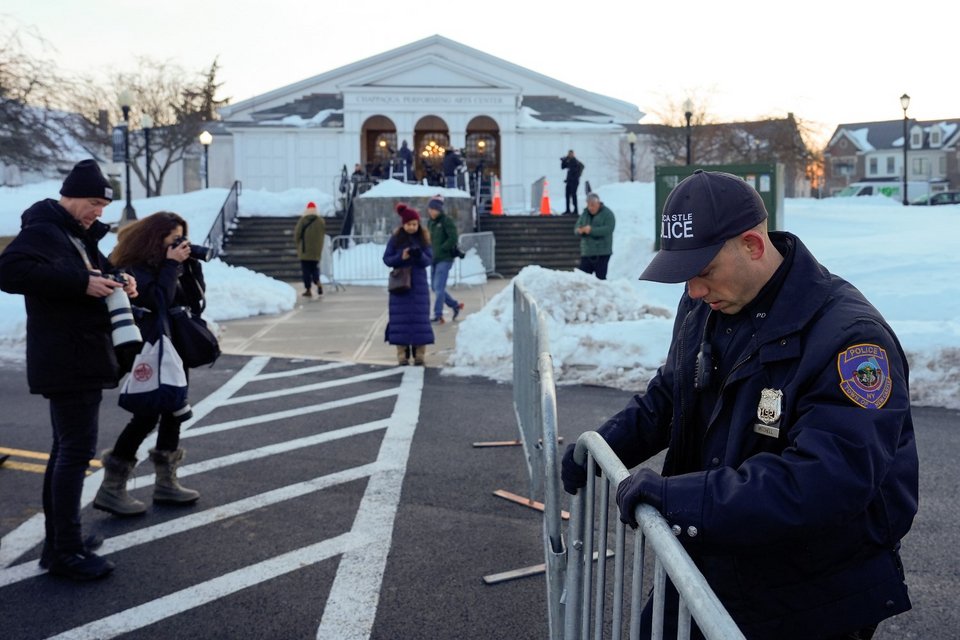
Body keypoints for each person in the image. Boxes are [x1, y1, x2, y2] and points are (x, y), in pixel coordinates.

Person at [561, 170, 918, 640]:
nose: (693, 290)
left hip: (810, 591)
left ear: (752, 244)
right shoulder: (708, 304)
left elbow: (826, 480)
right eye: (686, 275)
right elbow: (673, 393)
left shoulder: (850, 340)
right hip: (718, 556)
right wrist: (603, 448)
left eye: (704, 271)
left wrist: (679, 499)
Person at [0, 159, 139, 580]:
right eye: (94, 203)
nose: (99, 212)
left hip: (77, 353)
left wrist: (120, 278)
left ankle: (62, 540)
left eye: (103, 205)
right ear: (73, 195)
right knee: (74, 453)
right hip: (67, 357)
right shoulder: (44, 230)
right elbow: (9, 271)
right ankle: (65, 551)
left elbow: (93, 271)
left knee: (66, 451)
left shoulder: (73, 235)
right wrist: (80, 282)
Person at [93, 211, 208, 517]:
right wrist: (171, 265)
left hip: (172, 348)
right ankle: (111, 488)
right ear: (155, 240)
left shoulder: (171, 265)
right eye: (175, 240)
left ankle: (166, 483)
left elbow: (193, 302)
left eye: (183, 238)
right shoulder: (133, 268)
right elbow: (158, 300)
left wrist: (187, 265)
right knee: (146, 416)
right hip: (148, 349)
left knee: (173, 412)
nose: (182, 244)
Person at [383, 203, 434, 365]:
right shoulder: (396, 239)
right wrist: (401, 257)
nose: (412, 227)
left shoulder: (423, 239)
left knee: (420, 320)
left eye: (414, 224)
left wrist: (419, 256)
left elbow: (429, 259)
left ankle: (420, 354)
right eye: (409, 224)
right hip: (400, 285)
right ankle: (402, 354)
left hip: (418, 285)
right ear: (403, 224)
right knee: (400, 321)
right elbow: (387, 259)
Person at [426, 197, 464, 324]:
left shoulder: (446, 221)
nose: (432, 212)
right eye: (430, 209)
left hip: (445, 258)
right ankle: (455, 305)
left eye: (434, 209)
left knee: (439, 287)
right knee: (435, 287)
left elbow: (453, 237)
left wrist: (443, 248)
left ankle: (438, 314)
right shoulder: (430, 223)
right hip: (434, 258)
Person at [574, 192, 615, 280]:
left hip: (602, 252)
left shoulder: (608, 214)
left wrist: (591, 230)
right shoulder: (585, 214)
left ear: (598, 203)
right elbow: (577, 227)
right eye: (588, 205)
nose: (590, 208)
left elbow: (608, 229)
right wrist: (580, 230)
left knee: (600, 279)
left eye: (592, 205)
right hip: (587, 252)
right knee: (582, 279)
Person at [294, 201, 326, 297]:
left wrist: (298, 244)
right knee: (314, 268)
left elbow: (297, 234)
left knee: (306, 271)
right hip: (316, 250)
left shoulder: (303, 220)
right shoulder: (320, 221)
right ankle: (317, 282)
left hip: (305, 251)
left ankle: (308, 289)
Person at [561, 149, 584, 215]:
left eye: (571, 154)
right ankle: (568, 210)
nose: (569, 155)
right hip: (569, 181)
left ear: (573, 154)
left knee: (573, 195)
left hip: (574, 181)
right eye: (569, 154)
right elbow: (563, 167)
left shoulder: (575, 161)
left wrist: (566, 161)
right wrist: (563, 161)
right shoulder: (569, 161)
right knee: (567, 195)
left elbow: (573, 171)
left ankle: (575, 210)